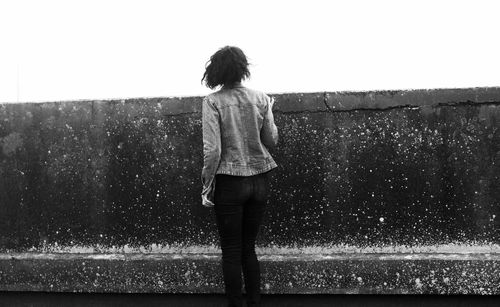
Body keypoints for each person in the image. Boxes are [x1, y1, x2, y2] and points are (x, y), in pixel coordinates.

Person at [201, 46, 279, 307]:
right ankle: (255, 303)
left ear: (216, 70)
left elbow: (213, 151)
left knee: (232, 251)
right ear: (243, 68)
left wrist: (207, 186)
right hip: (259, 180)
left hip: (231, 182)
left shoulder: (212, 102)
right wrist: (270, 112)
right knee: (249, 248)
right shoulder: (262, 99)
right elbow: (271, 140)